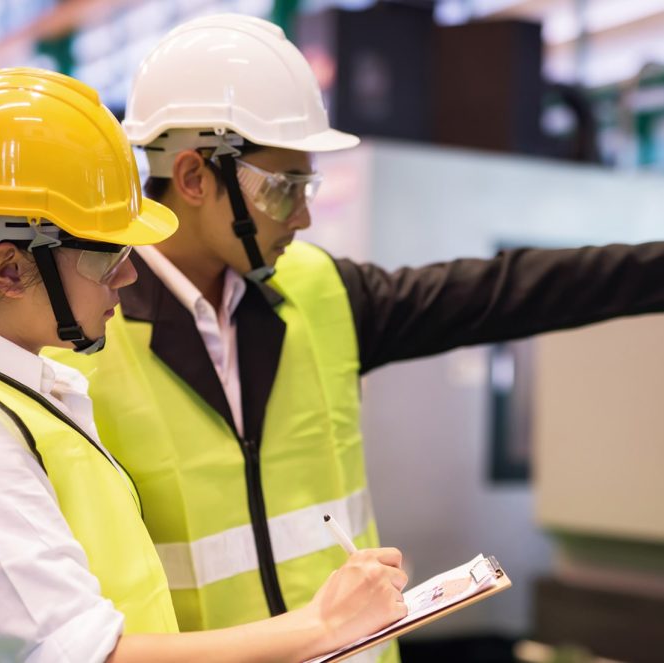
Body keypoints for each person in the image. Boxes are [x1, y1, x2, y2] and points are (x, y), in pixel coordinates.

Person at [52, 13, 664, 663]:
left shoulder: (317, 292)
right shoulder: (77, 344)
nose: (306, 216)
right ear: (196, 177)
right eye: (284, 190)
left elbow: (504, 290)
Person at [0, 67, 408, 663]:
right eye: (109, 255)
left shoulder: (13, 397)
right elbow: (85, 655)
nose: (131, 273)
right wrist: (323, 625)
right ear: (9, 269)